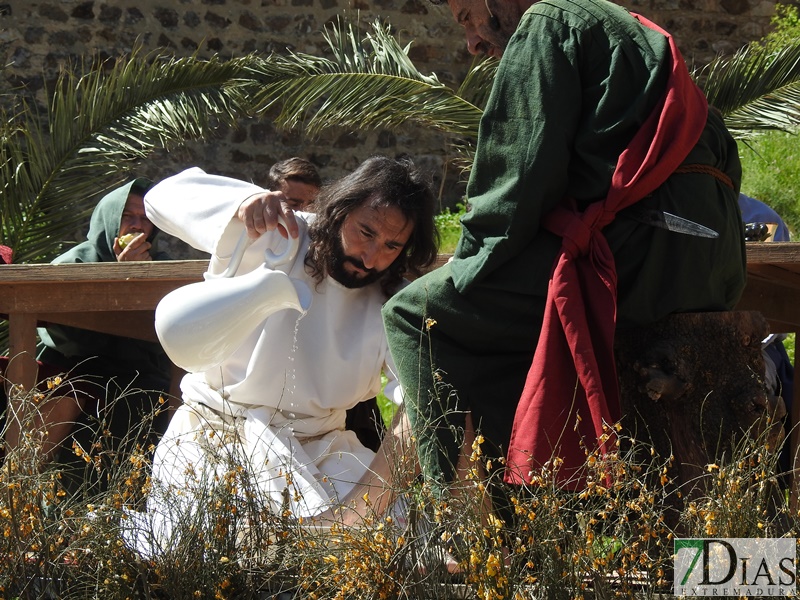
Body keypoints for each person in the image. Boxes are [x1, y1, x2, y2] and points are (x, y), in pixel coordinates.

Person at [382, 0, 747, 505]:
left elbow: (518, 175)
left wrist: (466, 268)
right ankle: (546, 514)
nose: (470, 42)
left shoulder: (546, 21)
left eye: (467, 16)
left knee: (414, 313)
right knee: (506, 322)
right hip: (714, 266)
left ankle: (457, 523)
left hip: (638, 254)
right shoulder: (639, 34)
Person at [123, 155, 438, 551]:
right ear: (340, 210)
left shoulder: (394, 301)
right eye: (365, 231)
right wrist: (244, 203)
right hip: (213, 436)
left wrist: (363, 506)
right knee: (197, 552)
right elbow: (159, 199)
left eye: (392, 245)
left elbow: (421, 405)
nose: (371, 257)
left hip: (320, 449)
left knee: (387, 546)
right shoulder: (279, 233)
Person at [2, 178, 175, 494]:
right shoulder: (75, 263)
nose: (137, 226)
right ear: (109, 218)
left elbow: (170, 330)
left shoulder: (160, 266)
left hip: (140, 374)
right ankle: (18, 490)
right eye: (128, 216)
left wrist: (141, 279)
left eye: (145, 218)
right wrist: (119, 282)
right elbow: (58, 330)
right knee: (73, 393)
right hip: (77, 366)